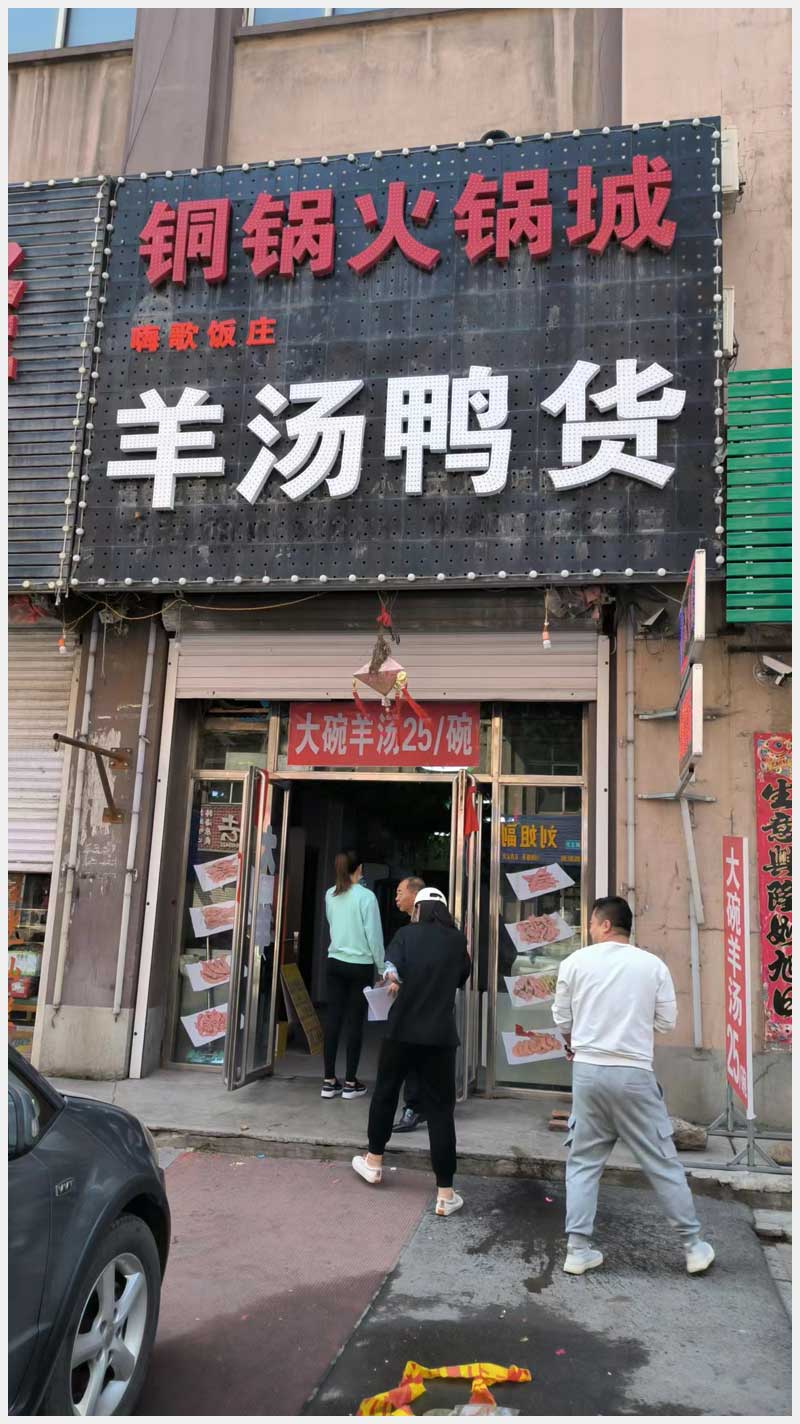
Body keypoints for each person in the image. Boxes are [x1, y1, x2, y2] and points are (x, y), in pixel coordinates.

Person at [552, 895, 715, 1277]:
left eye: (593, 923)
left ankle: (577, 1250)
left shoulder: (575, 962)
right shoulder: (652, 966)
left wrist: (576, 1040)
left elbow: (561, 1018)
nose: (590, 929)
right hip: (634, 1073)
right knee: (661, 1161)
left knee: (583, 1162)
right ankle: (693, 1247)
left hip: (588, 1072)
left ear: (606, 924)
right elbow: (666, 1022)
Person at [351, 888, 471, 1216]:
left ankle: (374, 1161)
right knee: (440, 1111)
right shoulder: (457, 941)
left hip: (401, 1031)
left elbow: (391, 969)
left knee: (386, 1094)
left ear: (418, 909)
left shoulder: (406, 934)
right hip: (440, 1037)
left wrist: (393, 978)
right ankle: (445, 1193)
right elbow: (462, 977)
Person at [322, 850, 385, 1100]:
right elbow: (374, 935)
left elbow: (332, 924)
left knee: (333, 1020)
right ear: (359, 868)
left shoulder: (330, 894)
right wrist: (382, 967)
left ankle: (328, 1081)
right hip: (359, 965)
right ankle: (350, 1083)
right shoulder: (366, 896)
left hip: (335, 961)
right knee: (354, 1023)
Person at [391, 876, 427, 1134]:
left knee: (415, 1055)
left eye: (400, 892)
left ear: (415, 895)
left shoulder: (426, 930)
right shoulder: (408, 928)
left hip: (422, 1004)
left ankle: (414, 1106)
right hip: (415, 1003)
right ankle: (416, 1105)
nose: (396, 897)